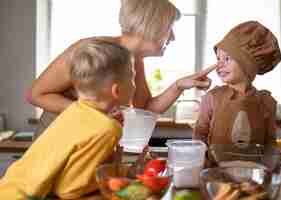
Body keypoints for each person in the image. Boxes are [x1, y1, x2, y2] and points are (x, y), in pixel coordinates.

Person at [28, 0, 214, 136]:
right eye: (169, 29)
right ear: (153, 26)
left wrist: (179, 86)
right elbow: (36, 94)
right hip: (56, 140)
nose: (172, 38)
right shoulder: (88, 50)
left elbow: (146, 109)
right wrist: (95, 114)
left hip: (87, 142)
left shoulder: (134, 59)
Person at [0, 40, 136, 199]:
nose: (135, 85)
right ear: (116, 90)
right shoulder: (107, 128)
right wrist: (113, 179)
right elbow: (69, 190)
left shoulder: (74, 111)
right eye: (133, 78)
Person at [193, 21, 281, 146]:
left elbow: (270, 143)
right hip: (216, 166)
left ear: (248, 66)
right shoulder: (211, 98)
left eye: (227, 58)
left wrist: (270, 162)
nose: (219, 65)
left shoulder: (266, 102)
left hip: (255, 166)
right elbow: (199, 136)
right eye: (218, 58)